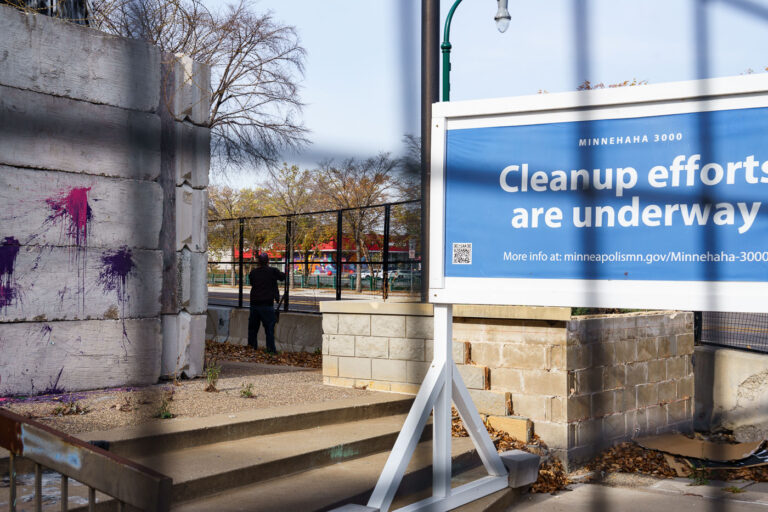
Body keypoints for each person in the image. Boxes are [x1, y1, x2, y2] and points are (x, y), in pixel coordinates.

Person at [247, 252, 285, 353]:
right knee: (269, 329)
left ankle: (251, 348)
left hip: (254, 304)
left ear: (258, 262)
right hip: (267, 304)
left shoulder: (253, 273)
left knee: (253, 329)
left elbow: (251, 282)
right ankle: (271, 350)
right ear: (268, 261)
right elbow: (282, 277)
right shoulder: (273, 271)